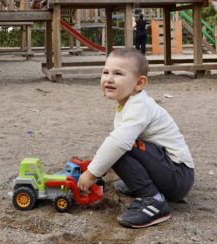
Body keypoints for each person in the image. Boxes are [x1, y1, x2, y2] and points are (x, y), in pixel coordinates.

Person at [77, 48, 194, 228]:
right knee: (119, 147)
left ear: (139, 83)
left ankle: (153, 200)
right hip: (169, 172)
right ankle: (144, 185)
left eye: (118, 73)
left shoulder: (139, 106)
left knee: (119, 147)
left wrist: (92, 172)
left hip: (177, 176)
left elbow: (118, 143)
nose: (108, 78)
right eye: (105, 72)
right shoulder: (130, 103)